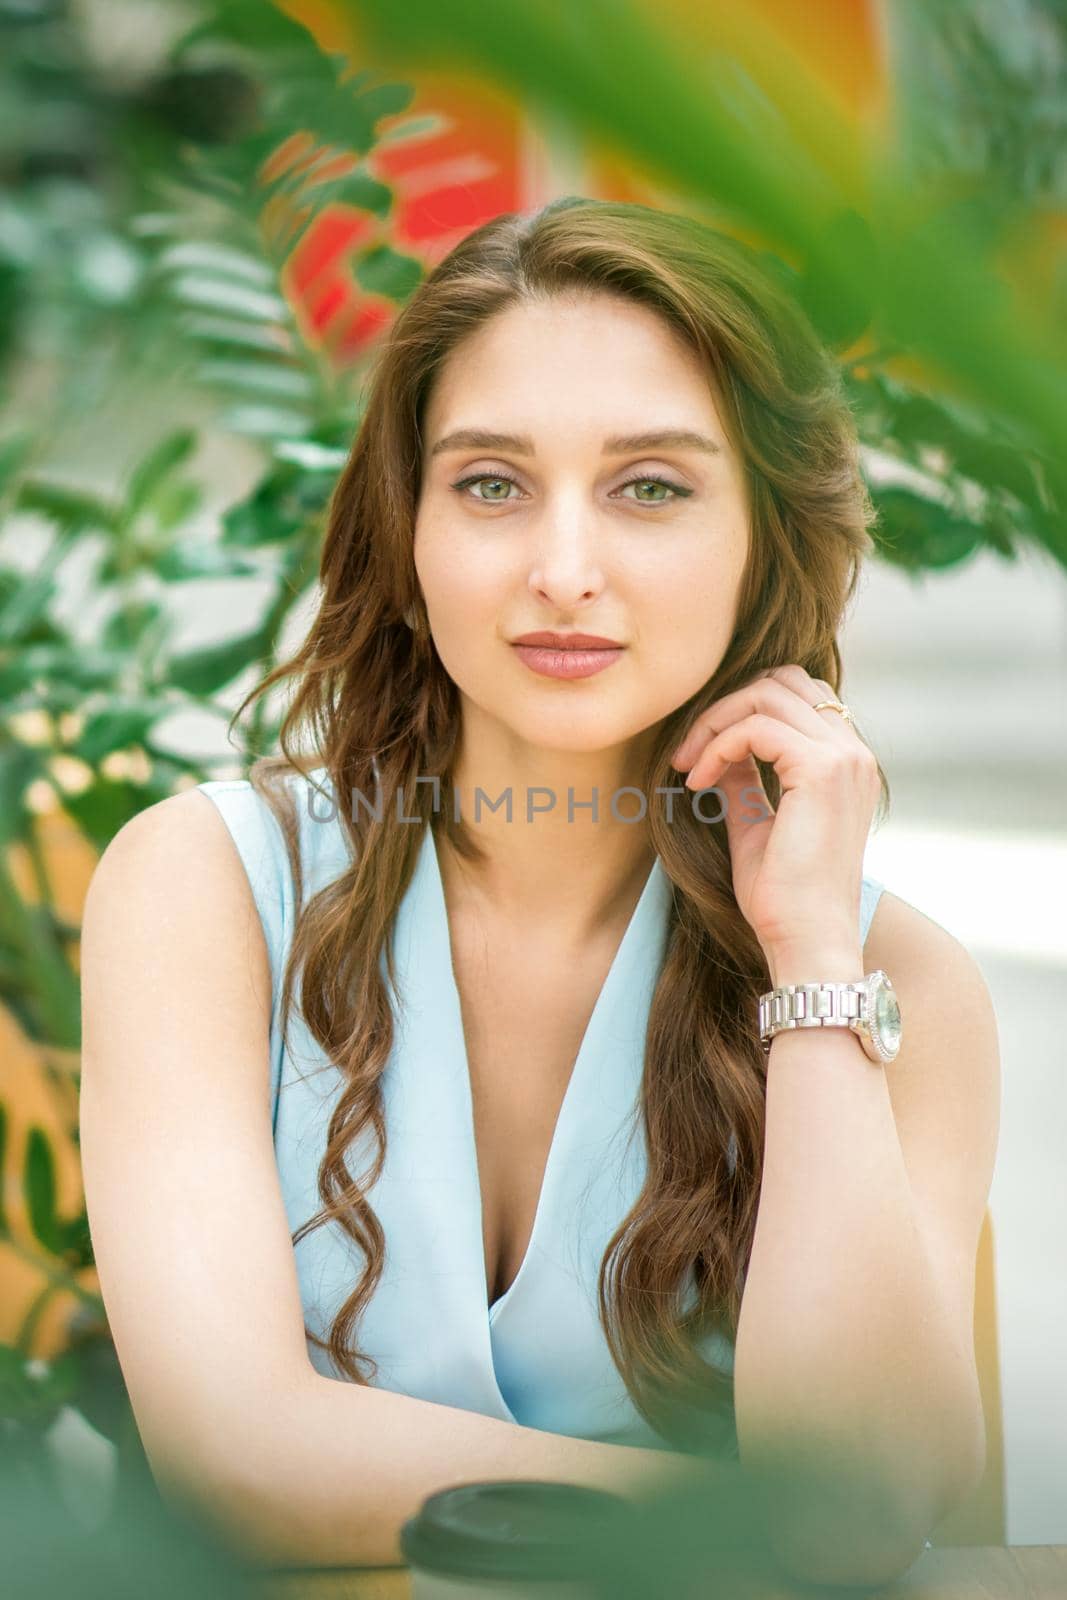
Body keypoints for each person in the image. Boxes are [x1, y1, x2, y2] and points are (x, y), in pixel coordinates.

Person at [78, 197, 999, 1580]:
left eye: (652, 487)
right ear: (407, 539)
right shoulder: (202, 890)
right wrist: (735, 1516)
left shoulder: (894, 984)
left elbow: (865, 1506)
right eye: (492, 484)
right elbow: (238, 1458)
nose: (564, 573)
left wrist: (807, 949)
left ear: (763, 544)